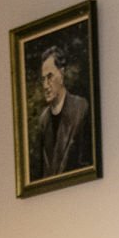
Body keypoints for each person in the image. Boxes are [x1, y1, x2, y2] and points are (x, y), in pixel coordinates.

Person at [30, 46, 91, 179]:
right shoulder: (43, 120)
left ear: (62, 74)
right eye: (43, 79)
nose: (45, 85)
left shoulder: (80, 108)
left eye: (50, 77)